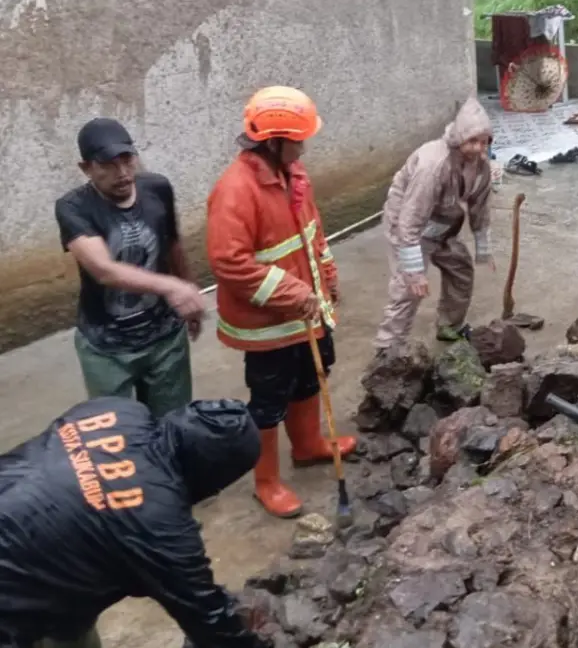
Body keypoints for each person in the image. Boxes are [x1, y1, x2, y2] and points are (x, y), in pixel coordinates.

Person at [0, 397, 267, 648]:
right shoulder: (160, 524)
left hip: (19, 517)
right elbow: (204, 613)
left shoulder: (114, 408)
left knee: (76, 563)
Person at [207, 86, 355, 519]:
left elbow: (313, 232)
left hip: (307, 314)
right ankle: (266, 481)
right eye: (298, 139)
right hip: (268, 324)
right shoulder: (235, 191)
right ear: (273, 142)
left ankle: (308, 446)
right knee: (268, 402)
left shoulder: (293, 174)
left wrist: (327, 276)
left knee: (312, 377)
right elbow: (229, 263)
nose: (304, 146)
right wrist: (297, 294)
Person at [55, 118, 206, 417]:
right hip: (106, 345)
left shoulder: (157, 188)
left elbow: (172, 243)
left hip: (165, 337)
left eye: (127, 160)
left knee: (173, 426)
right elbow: (104, 270)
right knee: (117, 434)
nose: (122, 173)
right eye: (108, 165)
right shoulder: (74, 207)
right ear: (85, 168)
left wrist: (189, 291)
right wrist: (172, 287)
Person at [373, 97, 496, 349]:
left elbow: (479, 206)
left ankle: (450, 326)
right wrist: (415, 272)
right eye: (472, 141)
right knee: (407, 289)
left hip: (442, 224)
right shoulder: (433, 164)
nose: (478, 148)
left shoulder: (481, 164)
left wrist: (483, 246)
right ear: (459, 138)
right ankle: (388, 349)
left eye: (484, 142)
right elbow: (410, 219)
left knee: (461, 270)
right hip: (408, 224)